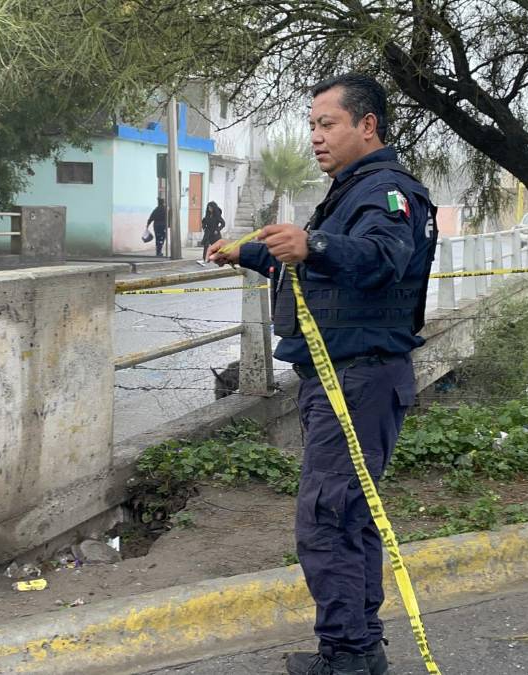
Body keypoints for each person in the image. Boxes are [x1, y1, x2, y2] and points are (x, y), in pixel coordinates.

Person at [209, 73, 437, 675]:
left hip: (358, 380)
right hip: (345, 380)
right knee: (350, 517)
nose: (315, 136)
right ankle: (360, 649)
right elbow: (319, 261)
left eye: (326, 123)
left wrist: (312, 245)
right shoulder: (351, 190)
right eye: (312, 124)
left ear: (368, 125)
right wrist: (250, 251)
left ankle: (345, 658)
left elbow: (378, 257)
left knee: (328, 519)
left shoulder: (388, 193)